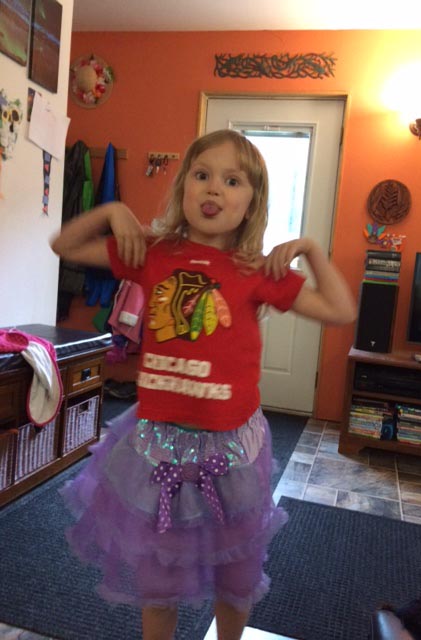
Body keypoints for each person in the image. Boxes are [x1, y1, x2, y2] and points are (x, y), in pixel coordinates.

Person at [50, 129, 356, 640]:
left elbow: (340, 310)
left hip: (232, 449)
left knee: (235, 575)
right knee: (160, 577)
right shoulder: (152, 252)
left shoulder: (255, 269)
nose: (214, 188)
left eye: (232, 181)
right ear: (184, 187)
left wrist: (310, 248)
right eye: (202, 175)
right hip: (157, 446)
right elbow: (64, 244)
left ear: (251, 202)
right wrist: (113, 211)